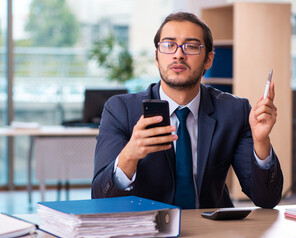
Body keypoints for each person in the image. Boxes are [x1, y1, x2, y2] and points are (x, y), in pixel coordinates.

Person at [91, 11, 283, 209]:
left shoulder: (234, 111)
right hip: (146, 231)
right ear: (156, 57)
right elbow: (100, 199)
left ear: (208, 60)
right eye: (168, 45)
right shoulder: (121, 110)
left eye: (191, 46)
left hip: (210, 231)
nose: (178, 54)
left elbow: (266, 199)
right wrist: (129, 154)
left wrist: (261, 142)